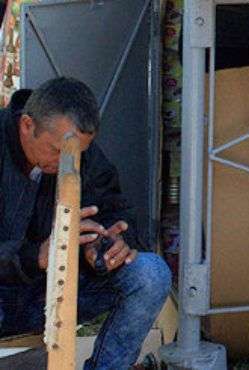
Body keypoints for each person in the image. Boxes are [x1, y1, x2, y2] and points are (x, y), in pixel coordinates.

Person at [0, 77, 171, 370]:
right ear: (27, 125)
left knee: (150, 274)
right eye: (57, 151)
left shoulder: (79, 150)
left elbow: (116, 209)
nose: (67, 161)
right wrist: (35, 256)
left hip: (50, 294)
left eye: (77, 154)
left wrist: (110, 244)